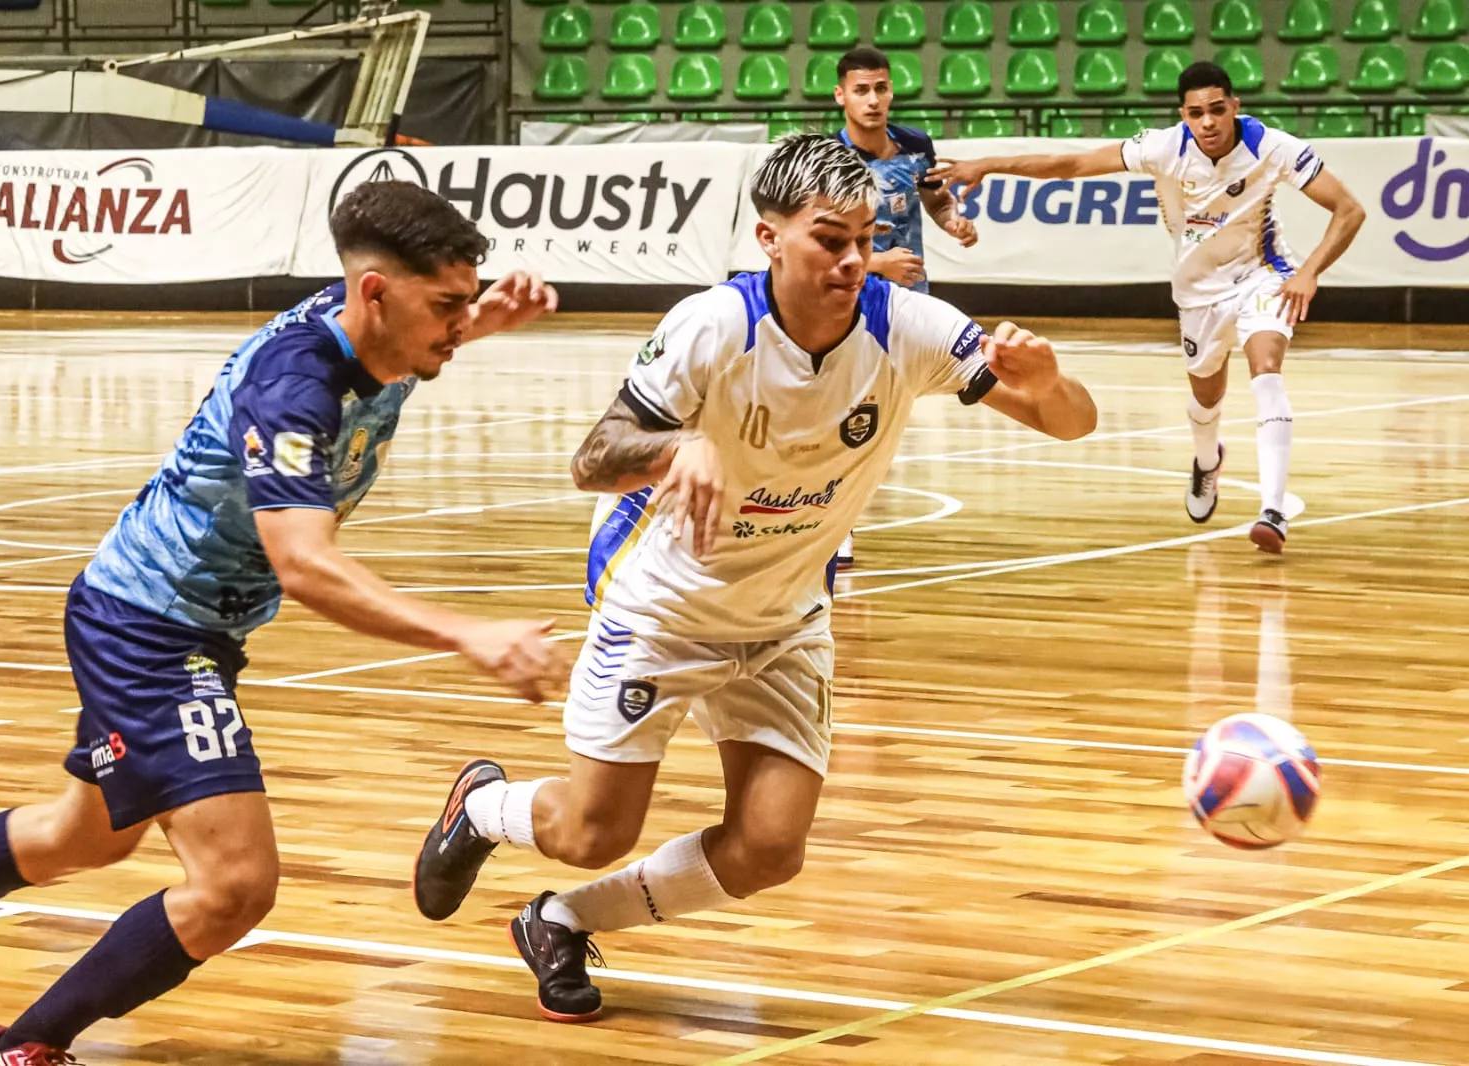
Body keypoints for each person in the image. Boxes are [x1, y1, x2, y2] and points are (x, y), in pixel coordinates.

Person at [0, 181, 564, 1066]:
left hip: (171, 618)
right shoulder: (294, 388)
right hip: (151, 632)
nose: (459, 323)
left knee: (78, 837)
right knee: (234, 885)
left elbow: (406, 336)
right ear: (374, 293)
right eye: (446, 306)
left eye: (468, 301)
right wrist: (467, 633)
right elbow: (304, 564)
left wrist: (479, 319)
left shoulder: (374, 328)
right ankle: (29, 1046)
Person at [411, 134, 1097, 1022]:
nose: (852, 260)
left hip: (785, 617)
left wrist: (1050, 382)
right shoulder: (713, 326)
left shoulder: (909, 327)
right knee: (592, 831)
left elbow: (1071, 424)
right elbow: (593, 459)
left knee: (771, 849)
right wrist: (675, 450)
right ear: (770, 237)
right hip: (663, 604)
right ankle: (482, 807)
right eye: (829, 240)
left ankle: (561, 921)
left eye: (863, 239)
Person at [933, 61, 1366, 554]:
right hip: (1197, 290)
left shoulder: (1271, 146)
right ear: (1183, 115)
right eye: (1197, 113)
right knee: (1206, 399)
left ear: (1235, 107)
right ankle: (1207, 461)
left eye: (1217, 110)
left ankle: (1272, 511)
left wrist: (1309, 273)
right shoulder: (1164, 148)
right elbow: (1072, 165)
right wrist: (988, 164)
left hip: (1262, 276)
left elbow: (1349, 210)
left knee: (1266, 371)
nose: (1208, 122)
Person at [831, 46, 979, 571]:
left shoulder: (916, 144)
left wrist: (953, 220)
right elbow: (817, 240)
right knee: (847, 408)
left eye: (881, 88)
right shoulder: (828, 159)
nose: (873, 100)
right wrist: (876, 264)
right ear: (841, 96)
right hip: (848, 296)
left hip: (911, 298)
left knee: (884, 409)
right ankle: (836, 526)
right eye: (861, 90)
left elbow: (934, 197)